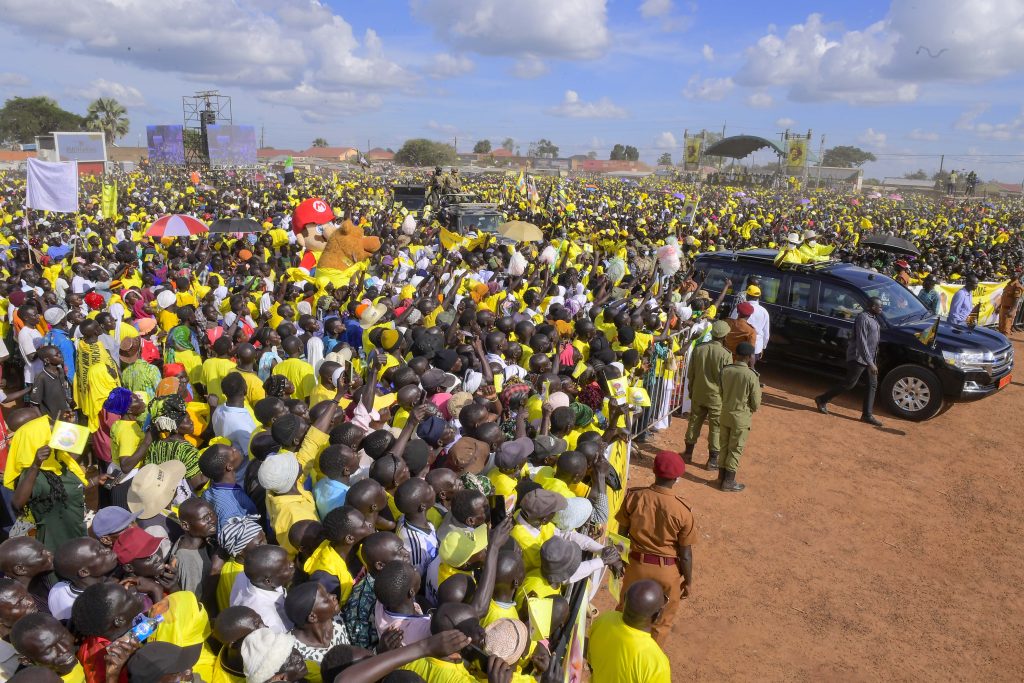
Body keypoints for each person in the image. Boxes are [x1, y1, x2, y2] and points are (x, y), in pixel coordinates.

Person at [614, 450, 696, 644]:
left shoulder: (634, 497)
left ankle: (618, 647)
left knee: (627, 610)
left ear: (653, 470)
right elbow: (685, 554)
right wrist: (689, 581)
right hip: (667, 571)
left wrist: (620, 561)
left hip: (635, 565)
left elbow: (621, 534)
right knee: (661, 622)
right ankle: (650, 657)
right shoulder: (683, 511)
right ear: (678, 477)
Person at [815, 297, 884, 426]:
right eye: (879, 306)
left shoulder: (874, 318)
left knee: (872, 384)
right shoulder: (863, 318)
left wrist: (873, 360)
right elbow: (861, 342)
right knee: (849, 384)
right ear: (872, 307)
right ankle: (822, 399)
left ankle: (867, 415)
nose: (881, 309)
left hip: (869, 359)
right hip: (858, 357)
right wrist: (870, 362)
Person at [587, 579, 671, 683]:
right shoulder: (656, 664)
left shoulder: (603, 620)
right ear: (657, 615)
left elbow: (591, 664)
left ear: (625, 598)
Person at [682, 320, 732, 470]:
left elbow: (690, 373)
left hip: (698, 392)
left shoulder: (699, 349)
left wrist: (691, 389)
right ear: (724, 336)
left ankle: (688, 454)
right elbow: (727, 380)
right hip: (716, 397)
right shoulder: (725, 355)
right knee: (715, 427)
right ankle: (712, 461)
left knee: (694, 422)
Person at [717, 342, 762, 492]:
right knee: (735, 449)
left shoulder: (726, 370)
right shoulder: (751, 375)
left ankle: (721, 478)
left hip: (725, 414)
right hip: (741, 417)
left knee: (724, 446)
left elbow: (721, 392)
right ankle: (729, 482)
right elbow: (755, 403)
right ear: (750, 357)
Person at [997, 271, 1023, 336]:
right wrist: (999, 306)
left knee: (1006, 329)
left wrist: (1012, 310)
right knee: (1001, 328)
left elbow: (1016, 299)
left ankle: (1006, 344)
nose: (1011, 275)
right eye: (1011, 273)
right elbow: (1004, 297)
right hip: (1003, 308)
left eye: (1014, 274)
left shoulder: (1017, 286)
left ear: (1018, 275)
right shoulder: (1008, 284)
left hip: (1009, 309)